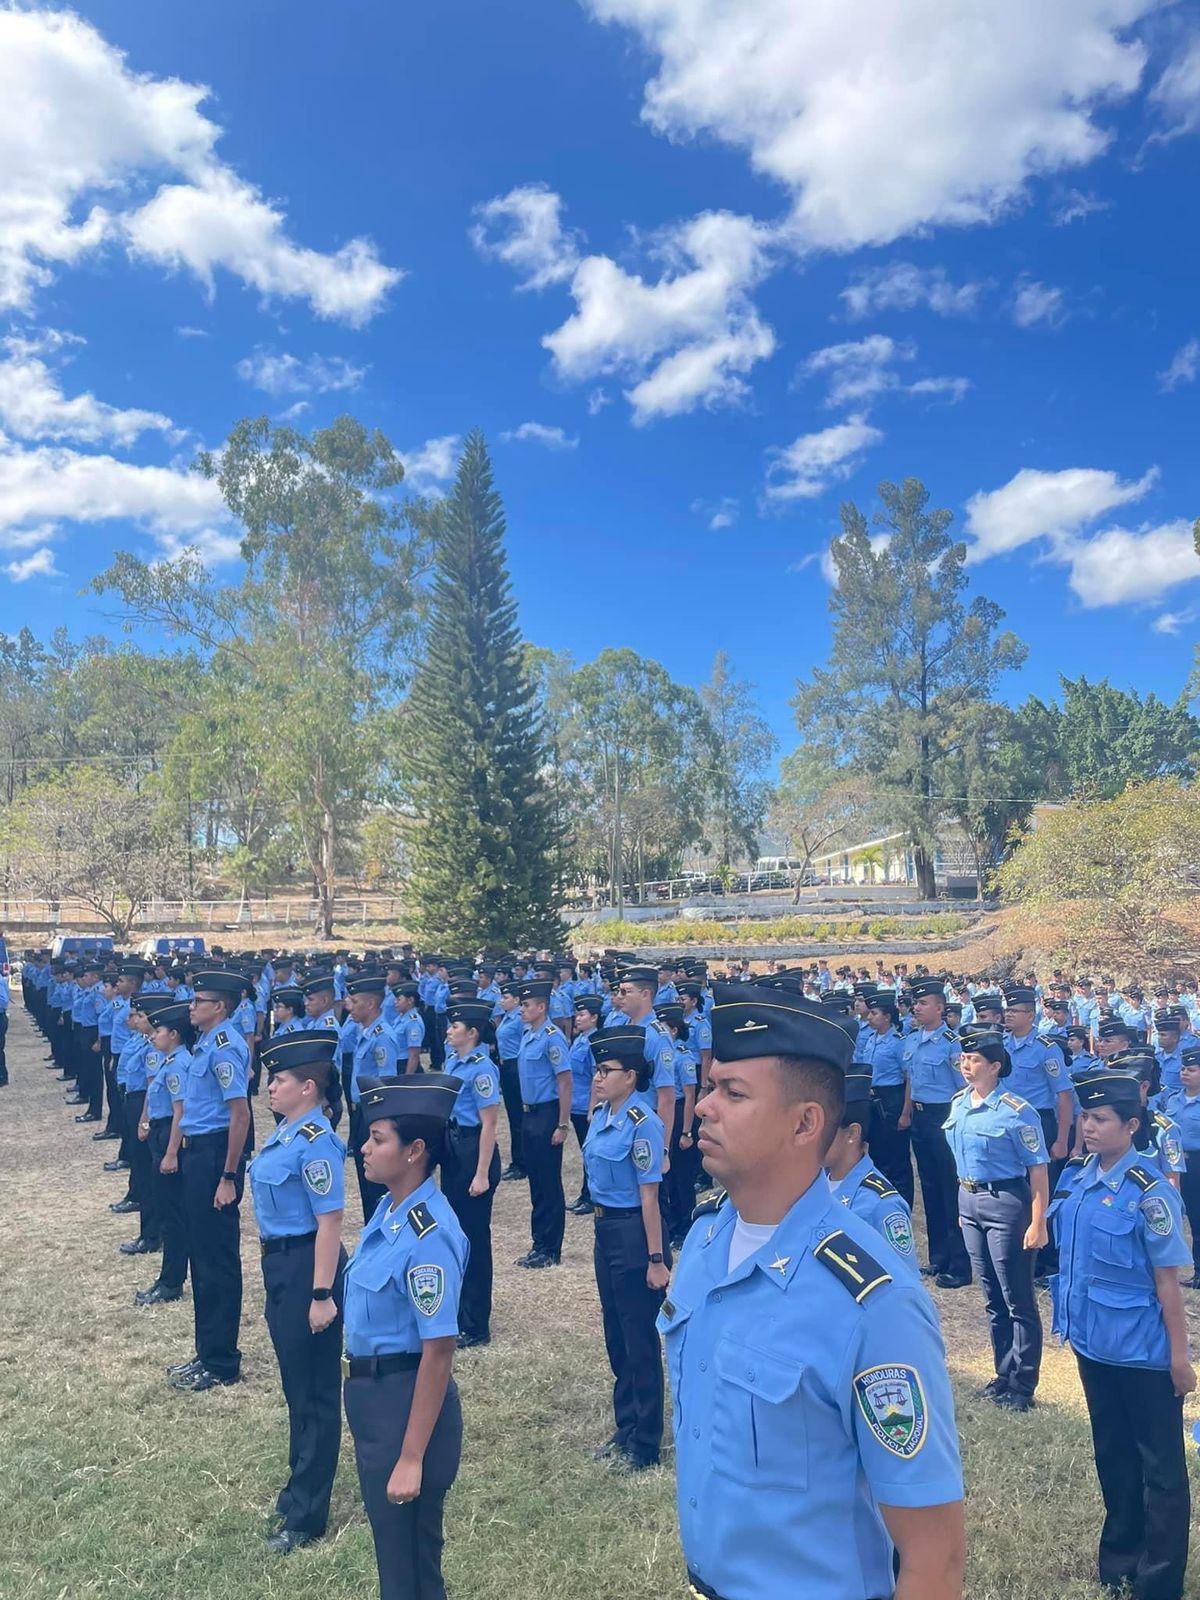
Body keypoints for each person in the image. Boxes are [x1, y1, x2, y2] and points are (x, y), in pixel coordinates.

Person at [661, 982, 965, 1600]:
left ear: (805, 1124)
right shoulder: (703, 1243)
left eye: (732, 1093)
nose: (703, 1108)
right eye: (711, 1086)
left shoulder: (872, 1302)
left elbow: (935, 1556)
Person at [1049, 1071, 1195, 1600]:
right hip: (1094, 1347)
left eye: (1100, 1119)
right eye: (1086, 1117)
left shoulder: (1150, 1194)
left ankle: (1159, 1583)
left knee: (1161, 1472)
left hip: (1143, 1355)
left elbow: (1168, 1286)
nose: (1088, 1126)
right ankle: (1119, 1562)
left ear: (1131, 1126)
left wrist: (1180, 1358)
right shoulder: (1077, 1179)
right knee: (1112, 1456)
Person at [341, 1073, 466, 1600]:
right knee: (395, 1559)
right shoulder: (391, 1212)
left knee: (410, 1566)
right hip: (376, 1400)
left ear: (415, 1150)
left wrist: (411, 1456)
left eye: (378, 1139)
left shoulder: (429, 1235)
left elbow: (439, 1351)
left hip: (404, 1404)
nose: (364, 1149)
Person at [250, 1031, 347, 1553]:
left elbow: (330, 1221)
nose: (270, 1087)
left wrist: (322, 1293)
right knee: (298, 1389)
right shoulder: (287, 1133)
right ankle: (298, 1491)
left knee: (314, 1392)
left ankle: (307, 1516)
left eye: (279, 1079)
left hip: (309, 1264)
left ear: (307, 1087)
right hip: (283, 1265)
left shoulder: (315, 1142)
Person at [943, 1027, 1049, 1412]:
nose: (966, 1065)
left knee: (1017, 1296)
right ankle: (1003, 1373)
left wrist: (1038, 1223)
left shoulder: (1017, 1112)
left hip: (1007, 1203)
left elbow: (1037, 1172)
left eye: (974, 1060)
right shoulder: (958, 1104)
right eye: (963, 1059)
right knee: (991, 1296)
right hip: (969, 1200)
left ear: (995, 1066)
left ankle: (1023, 1385)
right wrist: (962, 1208)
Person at [584, 1025, 670, 1472]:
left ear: (631, 1076)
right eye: (596, 1069)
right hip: (605, 1231)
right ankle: (627, 1424)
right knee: (615, 1332)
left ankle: (647, 1440)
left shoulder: (643, 1124)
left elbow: (650, 1196)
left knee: (639, 1338)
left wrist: (656, 1260)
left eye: (606, 1070)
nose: (597, 1077)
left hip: (635, 1235)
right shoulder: (601, 1116)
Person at [168, 968, 252, 1393]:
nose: (191, 1006)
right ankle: (207, 1352)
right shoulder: (207, 1043)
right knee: (201, 1259)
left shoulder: (224, 1048)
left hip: (216, 1155)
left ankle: (222, 1362)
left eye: (199, 1000)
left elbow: (240, 1115)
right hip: (197, 1154)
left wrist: (228, 1175)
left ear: (219, 1007)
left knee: (217, 1261)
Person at [902, 976, 971, 1287]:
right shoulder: (913, 1040)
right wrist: (906, 1113)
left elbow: (963, 1089)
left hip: (944, 1117)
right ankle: (938, 1257)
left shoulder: (952, 1045)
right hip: (919, 1117)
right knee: (929, 1190)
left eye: (924, 1002)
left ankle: (960, 1263)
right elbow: (911, 1082)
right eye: (915, 1002)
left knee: (949, 1190)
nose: (917, 1007)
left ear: (940, 1008)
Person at [440, 1000, 501, 1348]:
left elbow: (489, 1124)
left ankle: (477, 1324)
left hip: (473, 1150)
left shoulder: (482, 1069)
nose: (449, 1031)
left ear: (472, 1033)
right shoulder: (454, 1060)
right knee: (457, 1236)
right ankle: (461, 1311)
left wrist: (481, 1173)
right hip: (454, 1147)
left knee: (475, 1241)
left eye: (455, 1026)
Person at [824, 1068, 916, 1267]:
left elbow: (903, 1282)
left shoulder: (882, 1204)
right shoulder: (811, 1184)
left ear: (852, 1134)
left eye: (825, 1129)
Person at [134, 998, 193, 1307]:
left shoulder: (178, 1065)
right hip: (160, 1132)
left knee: (172, 1215)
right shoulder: (171, 1062)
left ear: (175, 1035)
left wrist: (171, 1152)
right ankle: (168, 1278)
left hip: (169, 1135)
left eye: (159, 1031)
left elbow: (180, 1113)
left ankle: (171, 1281)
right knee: (168, 1210)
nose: (153, 1035)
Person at [514, 978, 571, 1268]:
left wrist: (562, 1124)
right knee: (536, 1181)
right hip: (529, 1114)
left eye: (526, 1005)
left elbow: (564, 1081)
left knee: (549, 1183)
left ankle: (551, 1248)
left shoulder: (552, 1037)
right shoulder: (528, 1034)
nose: (521, 1009)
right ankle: (539, 1243)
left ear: (541, 1006)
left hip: (547, 1113)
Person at [346, 970, 401, 1223]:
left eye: (355, 1001)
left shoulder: (382, 1037)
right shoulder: (365, 1032)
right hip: (361, 1113)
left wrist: (377, 1125)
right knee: (365, 1177)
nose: (350, 1006)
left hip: (373, 1114)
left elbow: (385, 1084)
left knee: (376, 1184)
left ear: (370, 1003)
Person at [857, 992, 913, 1207]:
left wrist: (906, 1112)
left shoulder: (898, 1042)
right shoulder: (871, 1039)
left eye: (874, 1013)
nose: (869, 1017)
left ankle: (902, 1205)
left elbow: (909, 1077)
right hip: (873, 1100)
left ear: (887, 1016)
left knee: (896, 1158)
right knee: (878, 1155)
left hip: (892, 1100)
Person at [1163, 1046, 1200, 1286]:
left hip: (1197, 1163)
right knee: (1180, 1217)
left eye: (1192, 1069)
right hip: (1174, 1165)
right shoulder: (1172, 1098)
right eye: (1183, 1068)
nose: (1185, 1073)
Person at [567, 993, 603, 1215]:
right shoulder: (580, 1040)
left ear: (594, 1017)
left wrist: (592, 1107)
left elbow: (596, 1078)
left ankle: (591, 1197)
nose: (577, 1019)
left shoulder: (595, 1042)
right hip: (575, 1103)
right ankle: (585, 1194)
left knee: (591, 1153)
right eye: (576, 1014)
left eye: (582, 1015)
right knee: (585, 1152)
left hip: (585, 1106)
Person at [495, 981, 527, 1181]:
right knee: (513, 1117)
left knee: (518, 1118)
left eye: (506, 998)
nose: (502, 1001)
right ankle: (518, 1161)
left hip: (516, 1067)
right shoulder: (507, 1018)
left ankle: (522, 1163)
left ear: (516, 1000)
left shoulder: (519, 1019)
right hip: (506, 1066)